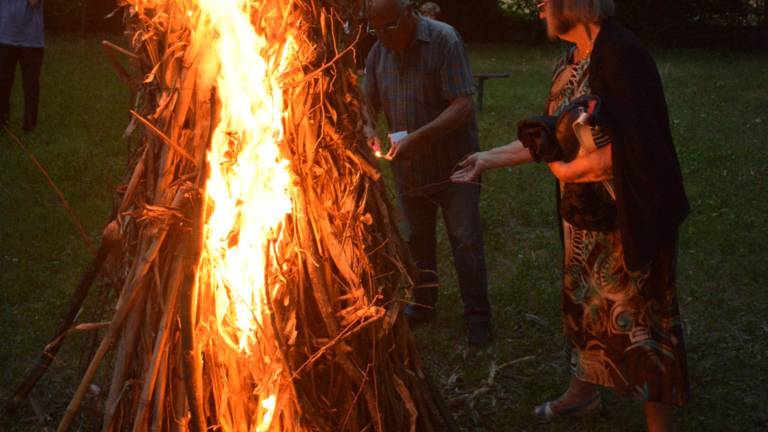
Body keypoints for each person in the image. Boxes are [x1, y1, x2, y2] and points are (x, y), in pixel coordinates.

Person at [451, 0, 690, 429]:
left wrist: (567, 172)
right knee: (584, 310)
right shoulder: (570, 61)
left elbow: (636, 149)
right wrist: (486, 158)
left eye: (545, 0)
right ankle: (583, 394)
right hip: (584, 223)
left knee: (643, 325)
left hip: (628, 220)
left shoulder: (622, 55)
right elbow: (554, 140)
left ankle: (660, 425)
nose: (539, 7)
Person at [363, 0, 492, 345]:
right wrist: (368, 129)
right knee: (417, 240)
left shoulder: (444, 40)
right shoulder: (378, 53)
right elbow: (366, 105)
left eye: (388, 27)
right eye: (374, 29)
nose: (381, 36)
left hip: (455, 166)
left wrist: (417, 139)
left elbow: (462, 105)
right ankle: (423, 303)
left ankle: (478, 315)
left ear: (409, 12)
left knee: (465, 240)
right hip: (410, 170)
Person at [0, 0, 45, 132]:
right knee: (2, 83)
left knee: (31, 84)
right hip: (5, 37)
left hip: (32, 41)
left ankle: (30, 126)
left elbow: (33, 2)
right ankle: (2, 122)